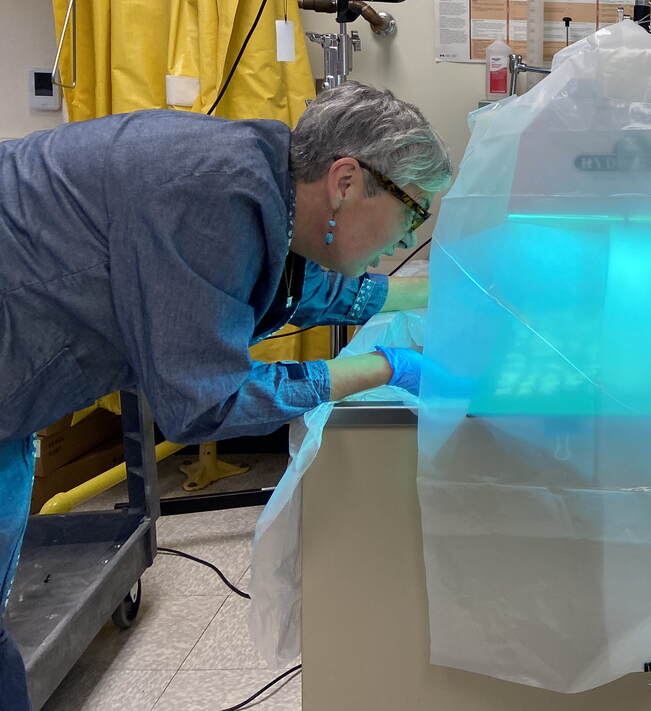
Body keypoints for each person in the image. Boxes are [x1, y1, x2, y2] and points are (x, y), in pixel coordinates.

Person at [0, 80, 451, 711]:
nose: (409, 238)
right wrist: (385, 366)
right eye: (412, 211)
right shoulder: (212, 196)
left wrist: (433, 292)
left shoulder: (265, 182)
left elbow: (289, 287)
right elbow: (207, 402)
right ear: (346, 180)